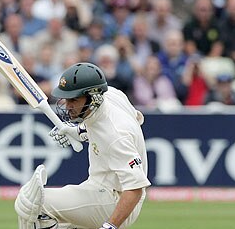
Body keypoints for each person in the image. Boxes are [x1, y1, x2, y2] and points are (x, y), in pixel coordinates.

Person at [14, 62, 151, 229]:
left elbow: (135, 189)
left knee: (32, 203)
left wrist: (110, 226)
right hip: (99, 188)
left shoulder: (116, 135)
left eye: (73, 99)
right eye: (66, 98)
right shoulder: (112, 96)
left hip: (115, 200)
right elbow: (137, 118)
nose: (67, 105)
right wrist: (79, 131)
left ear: (93, 97)